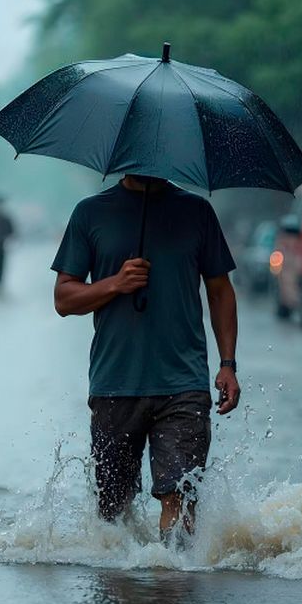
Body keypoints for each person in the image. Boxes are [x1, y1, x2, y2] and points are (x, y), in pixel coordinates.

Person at [51, 174, 240, 544]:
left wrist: (228, 364)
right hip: (114, 383)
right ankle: (124, 590)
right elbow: (63, 298)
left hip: (183, 384)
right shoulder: (90, 213)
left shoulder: (197, 212)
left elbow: (220, 290)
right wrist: (115, 283)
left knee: (180, 497)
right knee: (112, 510)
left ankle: (171, 588)